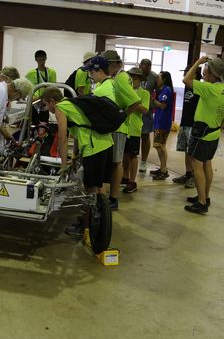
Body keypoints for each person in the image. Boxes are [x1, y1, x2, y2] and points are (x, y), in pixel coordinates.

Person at [40, 87, 113, 236]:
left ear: (52, 101)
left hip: (94, 148)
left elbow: (63, 138)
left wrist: (63, 166)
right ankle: (98, 220)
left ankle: (86, 226)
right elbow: (79, 132)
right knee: (98, 186)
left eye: (46, 105)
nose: (47, 109)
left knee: (90, 189)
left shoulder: (60, 108)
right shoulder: (71, 103)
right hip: (105, 143)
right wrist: (74, 157)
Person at [182, 56, 224, 214]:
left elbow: (186, 80)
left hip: (202, 133)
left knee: (197, 165)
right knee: (207, 164)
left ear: (211, 73)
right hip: (215, 132)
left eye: (205, 72)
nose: (203, 75)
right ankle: (205, 196)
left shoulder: (210, 89)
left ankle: (202, 202)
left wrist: (198, 62)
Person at [101, 50, 147, 209]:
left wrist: (121, 115)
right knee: (115, 162)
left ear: (114, 64)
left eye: (106, 66)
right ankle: (111, 196)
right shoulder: (120, 77)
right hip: (119, 126)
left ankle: (113, 198)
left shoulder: (120, 78)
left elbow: (135, 101)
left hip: (119, 127)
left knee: (116, 163)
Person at [122, 67, 150, 194]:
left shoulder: (144, 93)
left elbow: (145, 110)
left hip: (134, 129)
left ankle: (132, 181)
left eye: (135, 79)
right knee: (124, 155)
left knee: (133, 155)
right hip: (123, 127)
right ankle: (125, 176)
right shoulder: (124, 90)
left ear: (140, 80)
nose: (133, 81)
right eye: (131, 78)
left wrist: (133, 101)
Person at [172, 67, 201, 189]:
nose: (184, 75)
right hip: (185, 123)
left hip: (193, 125)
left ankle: (194, 177)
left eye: (187, 73)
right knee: (186, 151)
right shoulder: (187, 87)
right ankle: (188, 174)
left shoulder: (199, 87)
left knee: (193, 152)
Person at [150, 71, 174, 180]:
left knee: (160, 146)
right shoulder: (162, 90)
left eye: (159, 78)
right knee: (160, 145)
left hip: (163, 123)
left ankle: (164, 170)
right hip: (159, 121)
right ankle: (162, 168)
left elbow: (163, 106)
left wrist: (153, 100)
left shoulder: (166, 90)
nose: (157, 80)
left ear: (164, 79)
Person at [25, 50, 57, 124]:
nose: (42, 62)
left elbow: (53, 89)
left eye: (43, 59)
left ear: (46, 58)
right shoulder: (30, 73)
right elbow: (26, 89)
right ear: (36, 59)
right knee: (33, 124)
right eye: (39, 60)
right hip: (34, 103)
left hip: (46, 103)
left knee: (44, 125)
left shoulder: (52, 72)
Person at [139, 58, 158, 173]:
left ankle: (144, 161)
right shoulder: (134, 74)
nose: (146, 70)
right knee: (132, 136)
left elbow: (160, 90)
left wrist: (154, 100)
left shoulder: (154, 77)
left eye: (148, 67)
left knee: (145, 136)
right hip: (134, 109)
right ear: (140, 66)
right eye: (144, 67)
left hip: (147, 111)